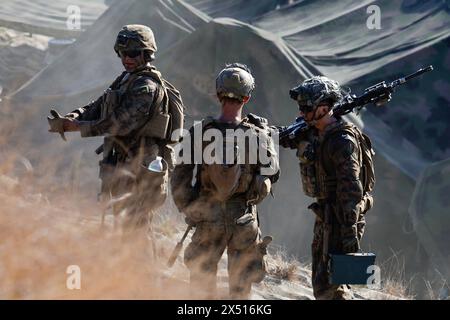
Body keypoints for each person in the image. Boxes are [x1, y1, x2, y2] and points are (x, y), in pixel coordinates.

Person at [47, 24, 183, 237]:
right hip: (121, 162)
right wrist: (74, 116)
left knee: (135, 228)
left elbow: (120, 123)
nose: (126, 58)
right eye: (122, 53)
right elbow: (98, 105)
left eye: (132, 53)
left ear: (146, 54)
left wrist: (76, 127)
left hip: (141, 168)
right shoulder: (126, 79)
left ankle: (141, 269)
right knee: (122, 225)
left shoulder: (146, 87)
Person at [170, 63, 279, 299]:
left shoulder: (199, 132)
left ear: (218, 94)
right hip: (244, 220)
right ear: (247, 98)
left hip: (208, 218)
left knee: (200, 289)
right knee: (240, 291)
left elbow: (179, 176)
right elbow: (272, 173)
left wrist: (190, 208)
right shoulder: (258, 134)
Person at [284, 76, 375, 300]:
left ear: (324, 108)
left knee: (332, 289)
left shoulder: (342, 141)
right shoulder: (314, 131)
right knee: (323, 285)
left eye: (307, 107)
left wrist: (348, 235)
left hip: (341, 219)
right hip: (325, 216)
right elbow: (286, 137)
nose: (302, 112)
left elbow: (351, 192)